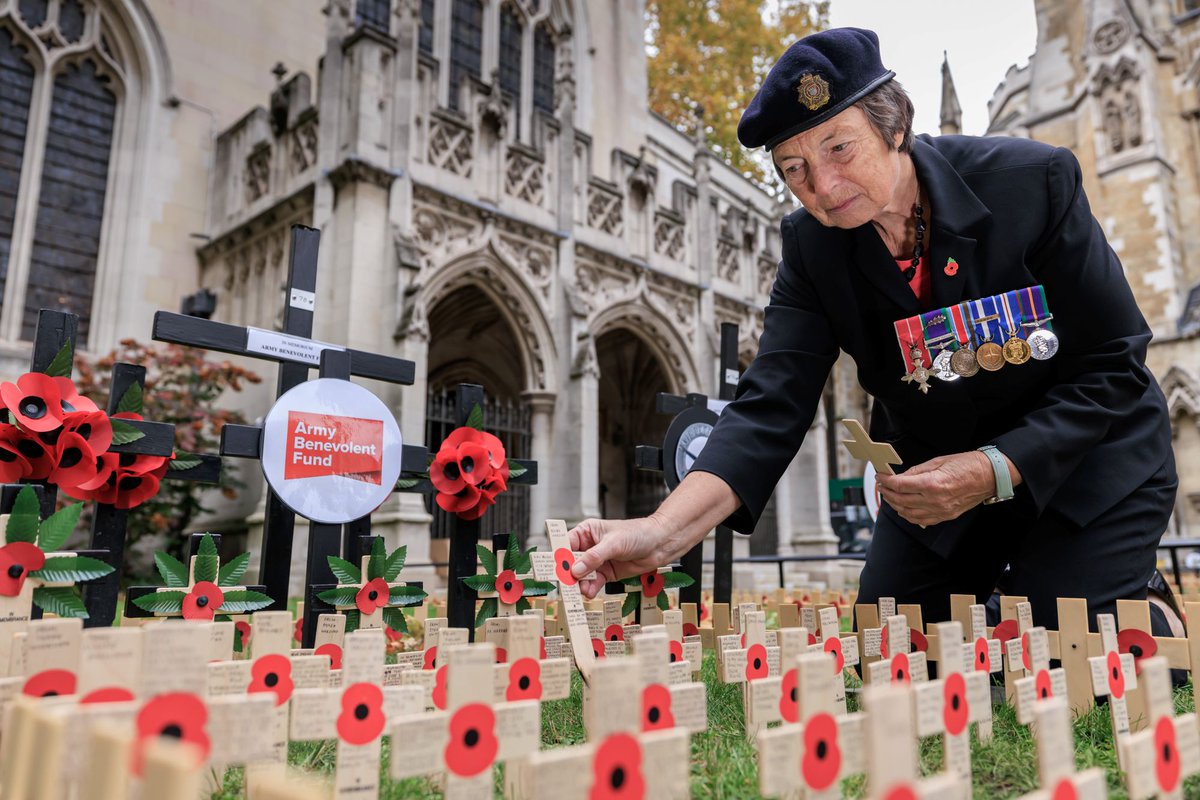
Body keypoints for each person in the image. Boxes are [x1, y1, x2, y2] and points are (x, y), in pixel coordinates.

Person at [567, 27, 1179, 636]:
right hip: (935, 485)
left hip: (1082, 460)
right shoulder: (811, 248)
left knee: (1061, 645)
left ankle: (1132, 599)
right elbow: (769, 404)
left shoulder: (1032, 182)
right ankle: (999, 603)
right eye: (794, 169)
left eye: (839, 149)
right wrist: (661, 533)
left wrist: (992, 468)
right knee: (890, 648)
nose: (823, 188)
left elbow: (1113, 363)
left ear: (896, 127)